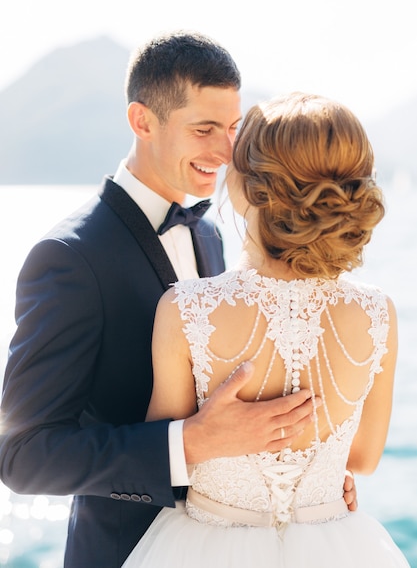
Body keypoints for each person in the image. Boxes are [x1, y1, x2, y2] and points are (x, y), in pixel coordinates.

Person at [0, 33, 336, 568]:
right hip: (122, 551)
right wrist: (188, 444)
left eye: (231, 129)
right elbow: (23, 458)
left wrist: (312, 485)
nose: (226, 153)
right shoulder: (68, 258)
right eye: (203, 130)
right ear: (142, 121)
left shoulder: (212, 236)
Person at [121, 92, 409, 568]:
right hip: (338, 543)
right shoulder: (378, 312)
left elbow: (163, 456)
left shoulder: (187, 308)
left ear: (251, 190)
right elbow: (362, 460)